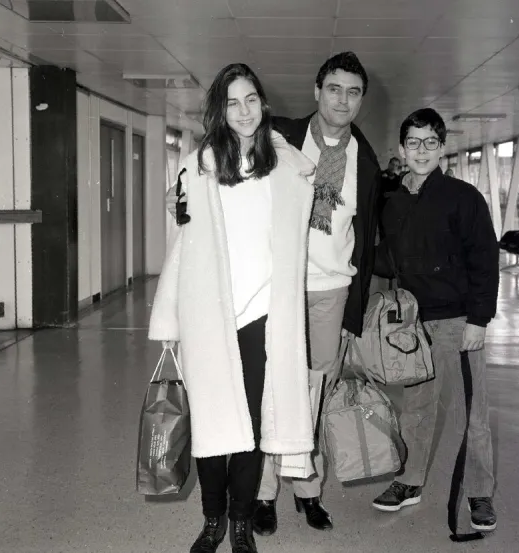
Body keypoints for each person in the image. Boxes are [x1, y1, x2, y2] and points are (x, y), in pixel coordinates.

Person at [166, 51, 380, 535]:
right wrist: (181, 197)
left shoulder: (364, 159)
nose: (342, 100)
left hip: (328, 289)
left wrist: (357, 306)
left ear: (362, 99)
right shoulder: (282, 136)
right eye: (334, 89)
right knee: (263, 396)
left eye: (353, 92)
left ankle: (306, 489)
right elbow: (219, 170)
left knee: (311, 396)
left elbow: (366, 235)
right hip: (276, 290)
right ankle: (261, 497)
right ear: (317, 92)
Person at [149, 63, 316, 553]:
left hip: (265, 316)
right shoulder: (198, 167)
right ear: (219, 110)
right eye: (232, 102)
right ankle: (212, 520)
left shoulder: (286, 167)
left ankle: (241, 523)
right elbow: (180, 246)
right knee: (212, 422)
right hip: (210, 315)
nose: (243, 111)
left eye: (251, 100)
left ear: (263, 105)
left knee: (253, 428)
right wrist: (169, 318)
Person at [373, 108, 499, 532]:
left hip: (457, 321)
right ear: (401, 149)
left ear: (442, 147)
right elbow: (387, 259)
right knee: (416, 410)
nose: (421, 150)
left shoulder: (464, 198)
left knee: (471, 415)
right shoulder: (393, 203)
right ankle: (410, 482)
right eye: (413, 142)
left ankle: (480, 492)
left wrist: (478, 321)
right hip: (412, 325)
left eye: (430, 142)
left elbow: (485, 261)